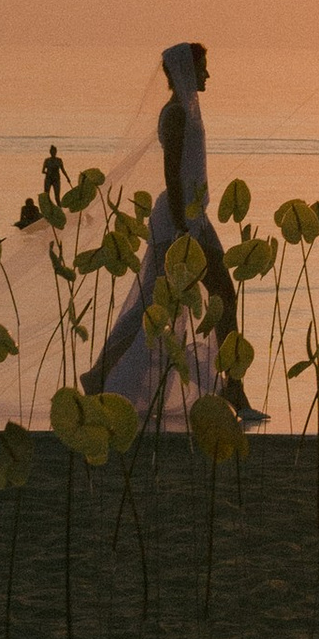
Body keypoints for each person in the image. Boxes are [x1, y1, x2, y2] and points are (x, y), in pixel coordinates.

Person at [89, 43, 259, 424]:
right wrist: (185, 227)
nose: (207, 76)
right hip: (180, 220)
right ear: (186, 71)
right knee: (166, 303)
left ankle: (232, 386)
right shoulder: (176, 114)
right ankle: (232, 388)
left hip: (193, 218)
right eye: (203, 69)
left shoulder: (187, 110)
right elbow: (172, 171)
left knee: (202, 299)